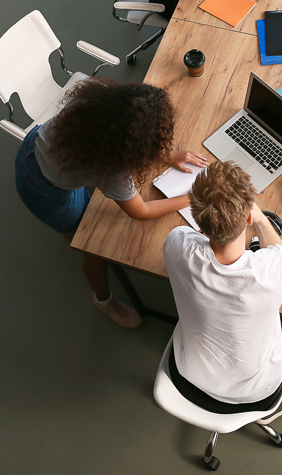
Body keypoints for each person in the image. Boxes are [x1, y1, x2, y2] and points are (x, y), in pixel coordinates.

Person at [15, 79, 207, 328]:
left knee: (89, 227)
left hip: (32, 145)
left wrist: (166, 156)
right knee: (92, 247)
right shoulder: (113, 172)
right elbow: (141, 211)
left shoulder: (97, 99)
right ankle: (103, 301)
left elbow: (125, 134)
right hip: (46, 192)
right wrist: (192, 197)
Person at [163, 161, 282, 413]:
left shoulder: (176, 244)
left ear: (197, 219)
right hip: (255, 394)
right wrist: (261, 221)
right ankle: (273, 405)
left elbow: (195, 238)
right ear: (248, 216)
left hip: (186, 375)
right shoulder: (275, 267)